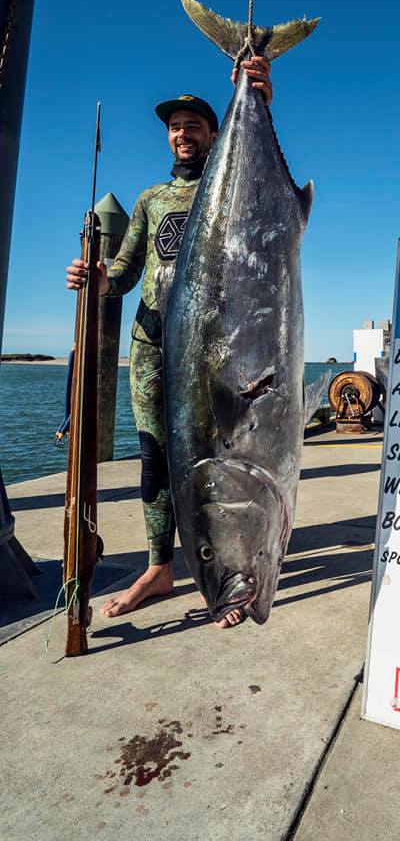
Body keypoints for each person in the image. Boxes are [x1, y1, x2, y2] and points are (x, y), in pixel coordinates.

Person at [65, 57, 273, 629]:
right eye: (175, 127)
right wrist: (99, 278)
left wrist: (258, 98)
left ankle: (226, 559)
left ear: (213, 134)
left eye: (195, 126)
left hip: (212, 350)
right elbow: (128, 271)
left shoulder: (230, 186)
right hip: (155, 347)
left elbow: (268, 201)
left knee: (217, 458)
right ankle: (160, 567)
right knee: (157, 461)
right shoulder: (151, 198)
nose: (183, 134)